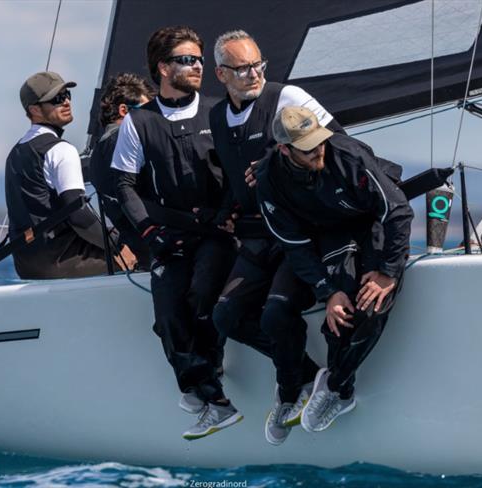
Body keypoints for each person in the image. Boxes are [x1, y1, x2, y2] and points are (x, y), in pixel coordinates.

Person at [208, 30, 342, 445]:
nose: (254, 74)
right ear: (221, 74)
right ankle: (304, 374)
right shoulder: (216, 117)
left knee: (276, 314)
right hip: (254, 237)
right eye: (243, 68)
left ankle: (291, 393)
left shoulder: (288, 97)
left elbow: (338, 146)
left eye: (258, 64)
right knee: (226, 315)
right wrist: (225, 210)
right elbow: (233, 176)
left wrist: (275, 159)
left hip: (295, 233)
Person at [110, 26, 239, 440]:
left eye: (199, 58)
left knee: (201, 295)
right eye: (187, 59)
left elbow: (242, 174)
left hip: (219, 232)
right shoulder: (139, 122)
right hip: (170, 234)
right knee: (167, 313)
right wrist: (150, 232)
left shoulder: (221, 112)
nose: (198, 65)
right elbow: (124, 185)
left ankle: (202, 382)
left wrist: (228, 213)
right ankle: (213, 398)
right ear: (163, 68)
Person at [255, 106, 413, 433]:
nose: (318, 151)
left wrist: (389, 272)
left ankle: (338, 388)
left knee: (372, 302)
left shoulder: (346, 155)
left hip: (371, 222)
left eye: (320, 142)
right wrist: (328, 291)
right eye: (308, 148)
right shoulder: (270, 178)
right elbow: (293, 243)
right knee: (297, 312)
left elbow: (397, 212)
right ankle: (299, 387)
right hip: (325, 234)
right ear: (284, 149)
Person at [5, 71, 136, 280]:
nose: (66, 102)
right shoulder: (61, 150)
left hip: (27, 265)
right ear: (34, 110)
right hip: (63, 261)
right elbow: (79, 215)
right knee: (140, 255)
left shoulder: (16, 152)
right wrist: (120, 244)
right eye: (56, 99)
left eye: (67, 95)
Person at [89, 73, 156, 268]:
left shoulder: (98, 151)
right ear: (124, 110)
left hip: (142, 252)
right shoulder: (121, 141)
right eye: (146, 111)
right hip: (159, 250)